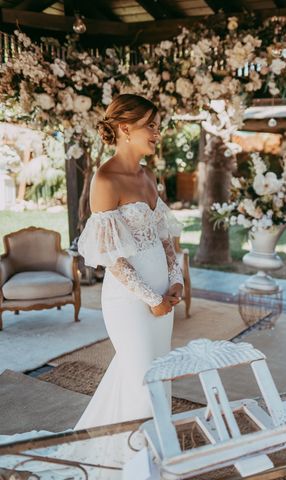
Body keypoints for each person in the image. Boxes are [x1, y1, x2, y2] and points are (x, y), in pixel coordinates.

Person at [75, 94, 183, 429]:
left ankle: (152, 452)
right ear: (125, 127)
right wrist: (152, 299)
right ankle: (139, 463)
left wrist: (176, 278)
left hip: (164, 294)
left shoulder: (149, 175)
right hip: (129, 299)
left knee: (160, 377)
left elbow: (164, 235)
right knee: (143, 381)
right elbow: (112, 258)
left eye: (158, 125)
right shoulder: (104, 180)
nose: (157, 132)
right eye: (150, 125)